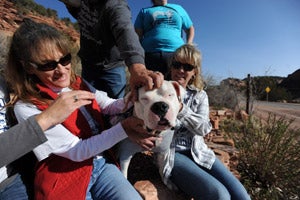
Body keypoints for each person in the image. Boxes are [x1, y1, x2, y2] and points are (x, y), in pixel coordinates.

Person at [5, 18, 159, 199]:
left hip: (99, 163)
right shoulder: (28, 107)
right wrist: (124, 129)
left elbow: (109, 105)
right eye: (48, 65)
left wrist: (136, 96)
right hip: (63, 176)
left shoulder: (77, 82)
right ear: (28, 68)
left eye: (65, 59)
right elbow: (77, 152)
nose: (62, 70)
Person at [157, 44, 251, 200]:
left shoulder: (199, 95)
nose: (181, 70)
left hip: (199, 151)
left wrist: (181, 108)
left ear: (194, 72)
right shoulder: (159, 91)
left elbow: (204, 128)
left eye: (187, 67)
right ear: (171, 67)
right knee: (220, 195)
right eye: (177, 64)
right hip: (172, 154)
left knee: (242, 196)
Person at [0, 72, 95, 199]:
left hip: (13, 175)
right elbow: (78, 150)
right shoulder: (23, 108)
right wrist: (46, 118)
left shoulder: (2, 82)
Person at [59, 0, 163, 99]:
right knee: (89, 105)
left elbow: (125, 30)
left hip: (112, 68)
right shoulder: (82, 4)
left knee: (115, 106)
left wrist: (137, 68)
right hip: (88, 65)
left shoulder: (115, 5)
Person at [134, 0, 195, 75]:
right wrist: (138, 56)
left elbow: (190, 28)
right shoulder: (144, 11)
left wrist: (188, 45)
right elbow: (137, 35)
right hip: (150, 54)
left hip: (176, 54)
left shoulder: (178, 8)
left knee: (174, 84)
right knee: (152, 84)